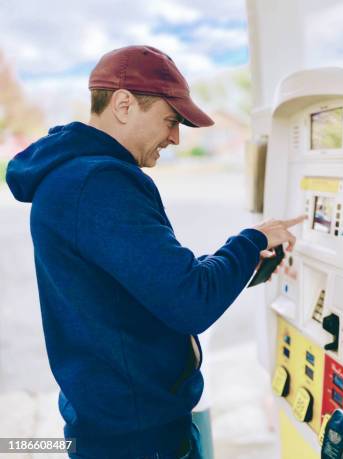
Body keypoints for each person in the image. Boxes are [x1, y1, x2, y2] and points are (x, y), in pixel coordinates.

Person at [6, 45, 304, 458]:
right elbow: (188, 301)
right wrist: (250, 240)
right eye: (170, 120)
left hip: (112, 426)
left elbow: (145, 286)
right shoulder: (99, 183)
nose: (176, 137)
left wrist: (244, 265)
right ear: (124, 105)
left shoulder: (70, 177)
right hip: (139, 441)